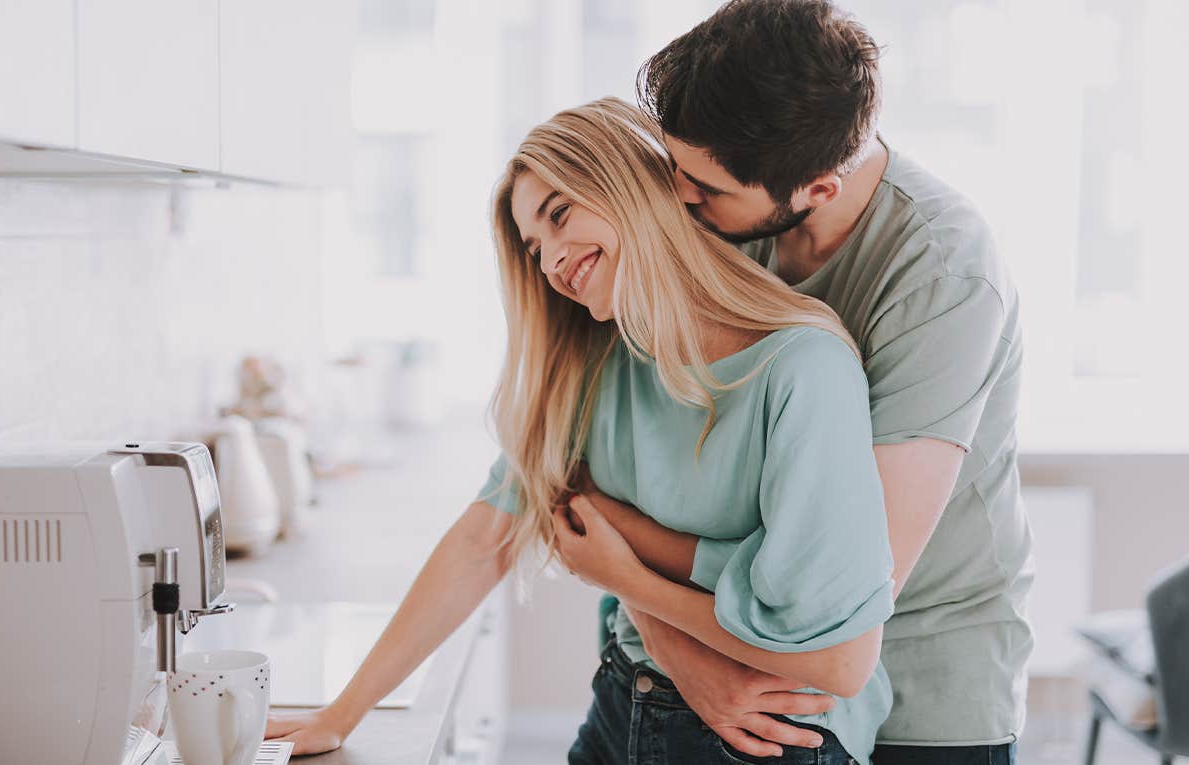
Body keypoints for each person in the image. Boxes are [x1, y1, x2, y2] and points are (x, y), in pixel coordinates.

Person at [265, 97, 895, 765]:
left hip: (769, 743)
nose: (552, 261)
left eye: (560, 215)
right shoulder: (593, 366)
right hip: (623, 704)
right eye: (535, 248)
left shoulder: (802, 367)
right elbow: (484, 540)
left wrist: (626, 575)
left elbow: (840, 659)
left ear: (630, 186)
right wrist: (341, 713)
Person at [594, 2, 1033, 763]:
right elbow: (620, 473)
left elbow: (844, 588)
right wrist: (672, 640)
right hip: (735, 648)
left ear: (821, 188)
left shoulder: (943, 275)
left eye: (707, 185)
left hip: (925, 692)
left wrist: (622, 570)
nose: (677, 198)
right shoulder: (725, 217)